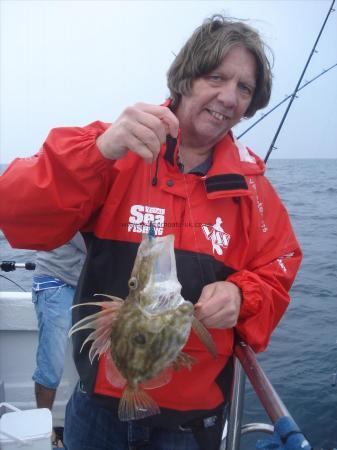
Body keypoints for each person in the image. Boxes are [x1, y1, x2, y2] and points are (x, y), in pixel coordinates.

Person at [0, 15, 302, 450]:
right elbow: (17, 212)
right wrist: (97, 152)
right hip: (98, 410)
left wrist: (243, 293)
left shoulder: (252, 188)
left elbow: (280, 265)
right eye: (216, 76)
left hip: (191, 427)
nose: (229, 98)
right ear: (184, 78)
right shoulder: (116, 150)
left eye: (244, 88)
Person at [32, 233, 86, 448]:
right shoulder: (68, 201)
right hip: (54, 281)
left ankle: (79, 430)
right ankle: (43, 433)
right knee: (51, 365)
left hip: (85, 284)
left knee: (94, 361)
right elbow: (93, 241)